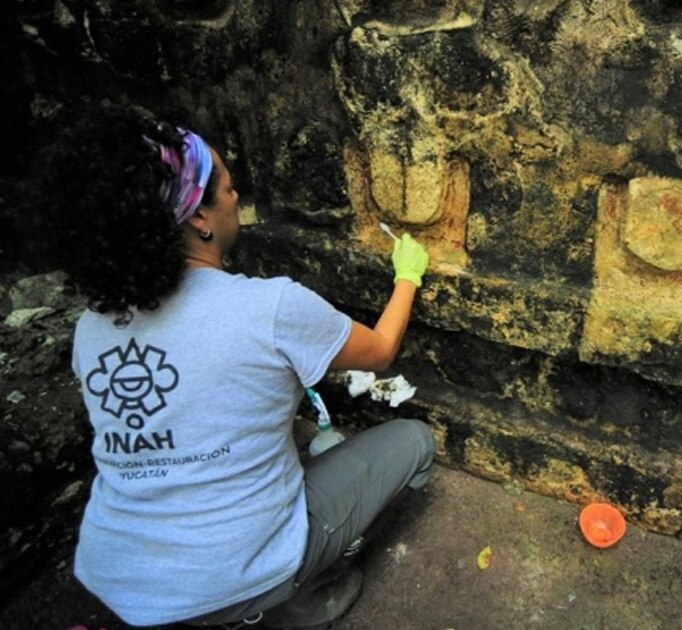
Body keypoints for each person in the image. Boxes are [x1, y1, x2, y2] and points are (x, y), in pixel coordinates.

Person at [47, 101, 436, 628]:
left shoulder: (91, 328)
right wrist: (408, 275)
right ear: (201, 218)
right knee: (413, 441)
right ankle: (286, 600)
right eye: (228, 187)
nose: (235, 197)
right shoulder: (270, 308)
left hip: (117, 578)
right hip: (232, 573)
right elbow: (381, 350)